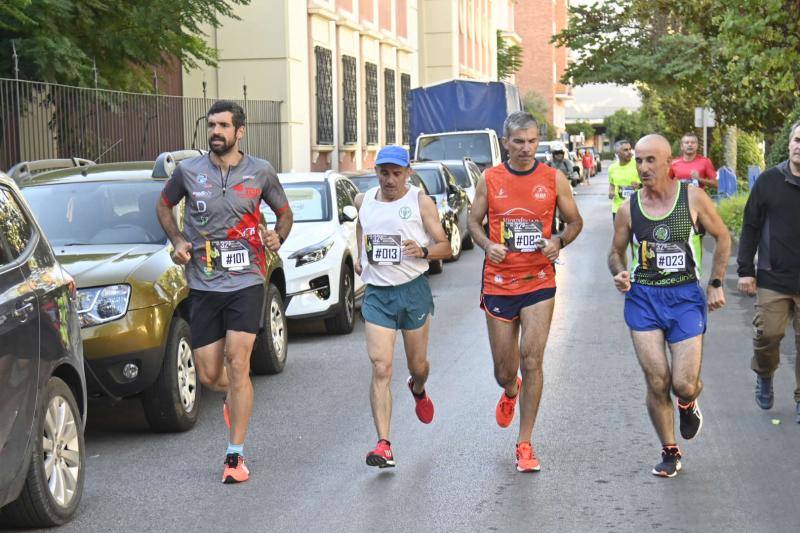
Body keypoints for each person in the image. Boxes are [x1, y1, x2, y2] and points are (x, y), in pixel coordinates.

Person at [156, 100, 293, 484]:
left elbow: (285, 213)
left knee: (238, 363)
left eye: (223, 126)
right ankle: (234, 400)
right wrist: (178, 240)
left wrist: (277, 236)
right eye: (211, 125)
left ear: (239, 131)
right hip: (202, 284)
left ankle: (235, 455)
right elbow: (164, 205)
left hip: (247, 280)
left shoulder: (260, 172)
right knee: (211, 374)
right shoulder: (188, 171)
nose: (215, 131)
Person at [608, 134, 731, 478]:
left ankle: (688, 403)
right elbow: (615, 252)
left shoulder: (692, 198)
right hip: (644, 298)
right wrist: (619, 272)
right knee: (657, 379)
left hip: (685, 298)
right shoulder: (628, 208)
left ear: (668, 163)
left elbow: (723, 236)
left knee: (683, 383)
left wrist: (716, 282)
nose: (644, 167)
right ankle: (669, 450)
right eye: (640, 161)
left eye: (651, 160)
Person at [468, 112, 583, 472]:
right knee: (505, 370)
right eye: (518, 141)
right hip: (499, 284)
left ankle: (525, 442)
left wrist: (558, 241)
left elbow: (575, 221)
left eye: (532, 141)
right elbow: (473, 221)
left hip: (538, 281)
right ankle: (510, 390)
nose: (526, 148)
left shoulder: (553, 178)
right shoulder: (490, 179)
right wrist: (487, 244)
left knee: (532, 360)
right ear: (506, 142)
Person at [355, 145, 451, 468]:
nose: (390, 180)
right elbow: (360, 225)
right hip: (378, 294)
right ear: (376, 172)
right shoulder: (364, 200)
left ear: (408, 173)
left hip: (413, 293)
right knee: (381, 367)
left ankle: (418, 387)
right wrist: (359, 256)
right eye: (384, 173)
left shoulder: (420, 202)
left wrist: (423, 250)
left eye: (397, 173)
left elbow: (446, 247)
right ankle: (384, 444)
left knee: (417, 366)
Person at [737, 120, 800, 424]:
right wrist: (746, 270)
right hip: (774, 277)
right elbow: (750, 226)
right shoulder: (769, 181)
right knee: (767, 336)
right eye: (797, 140)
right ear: (789, 143)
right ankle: (764, 374)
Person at [607, 139, 641, 221]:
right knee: (620, 233)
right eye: (625, 150)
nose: (629, 152)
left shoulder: (637, 164)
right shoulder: (612, 168)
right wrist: (611, 192)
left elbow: (647, 183)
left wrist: (640, 185)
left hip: (636, 207)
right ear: (617, 153)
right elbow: (612, 185)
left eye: (630, 149)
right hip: (618, 208)